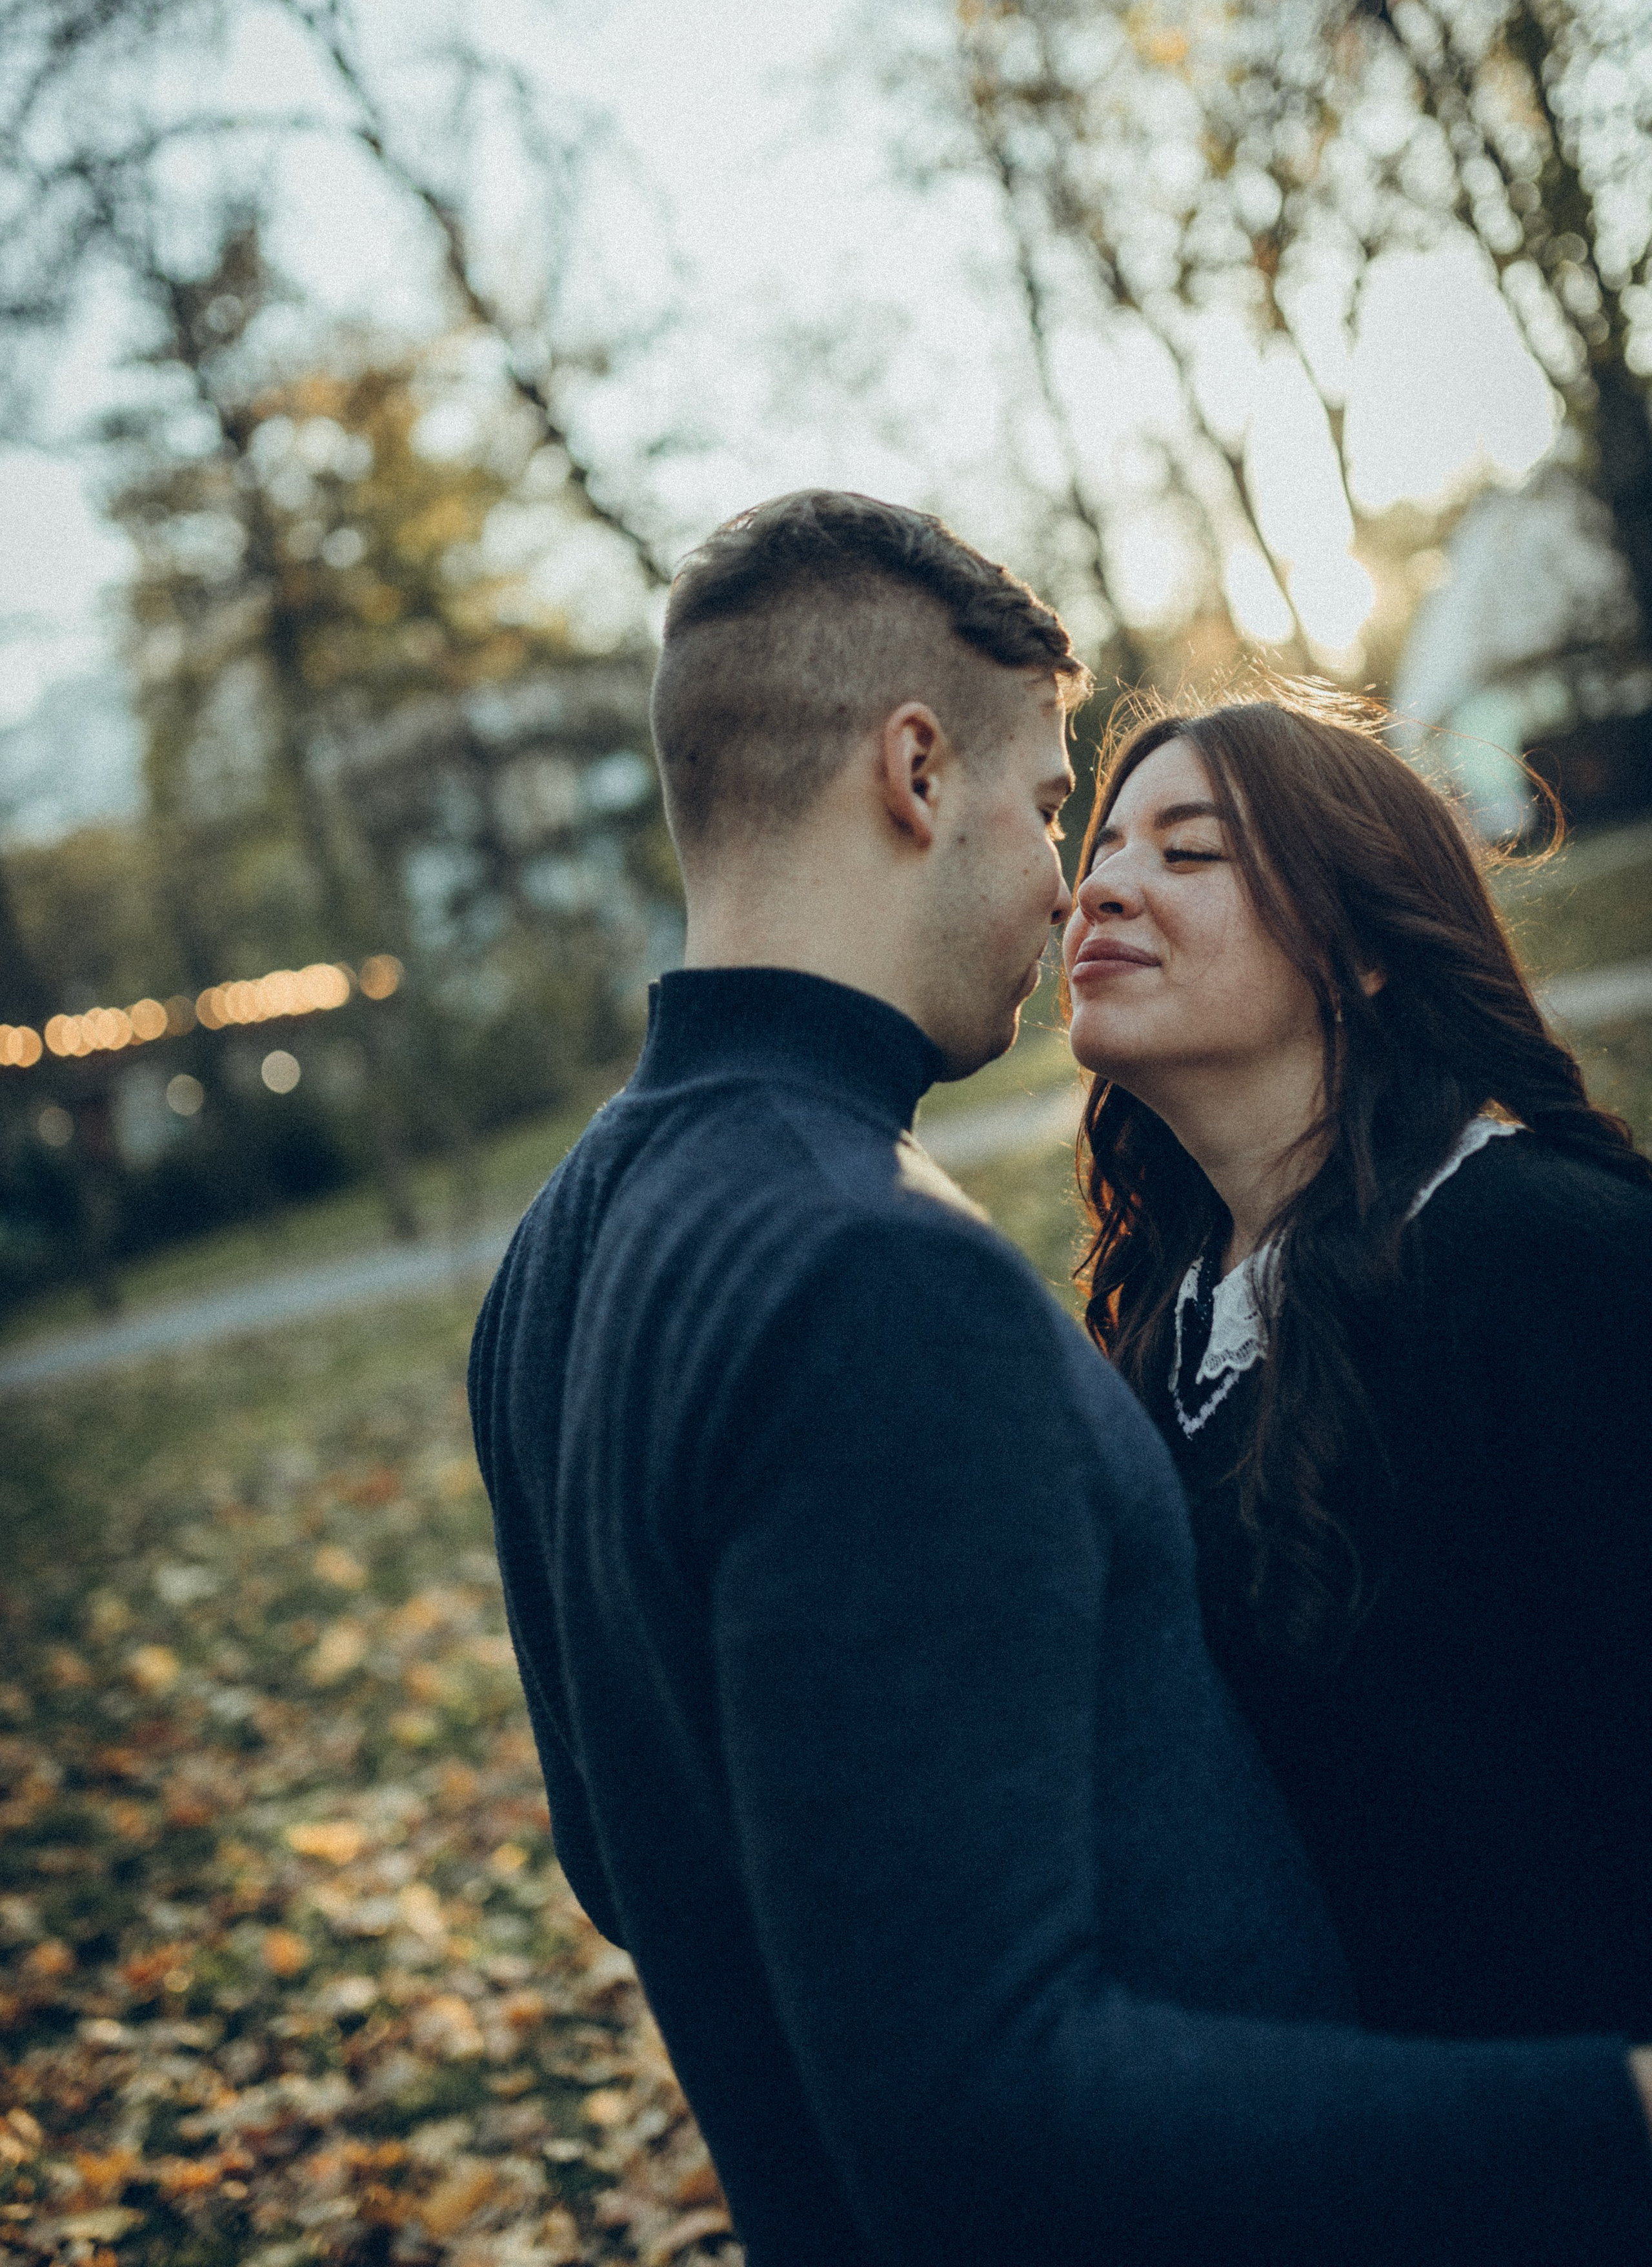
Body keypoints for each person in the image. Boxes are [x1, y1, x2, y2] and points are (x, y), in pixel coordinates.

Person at [470, 494, 1652, 2267]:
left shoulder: (552, 1260)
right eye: (1055, 809)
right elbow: (985, 2084)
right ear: (913, 772)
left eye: (1181, 850)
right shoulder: (881, 1272)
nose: (1072, 880)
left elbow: (629, 1869)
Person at [1065, 688, 1652, 2048]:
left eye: (1187, 851)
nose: (1099, 887)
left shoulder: (1545, 1254)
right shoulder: (1166, 1330)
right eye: (1102, 847)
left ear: (1363, 946)